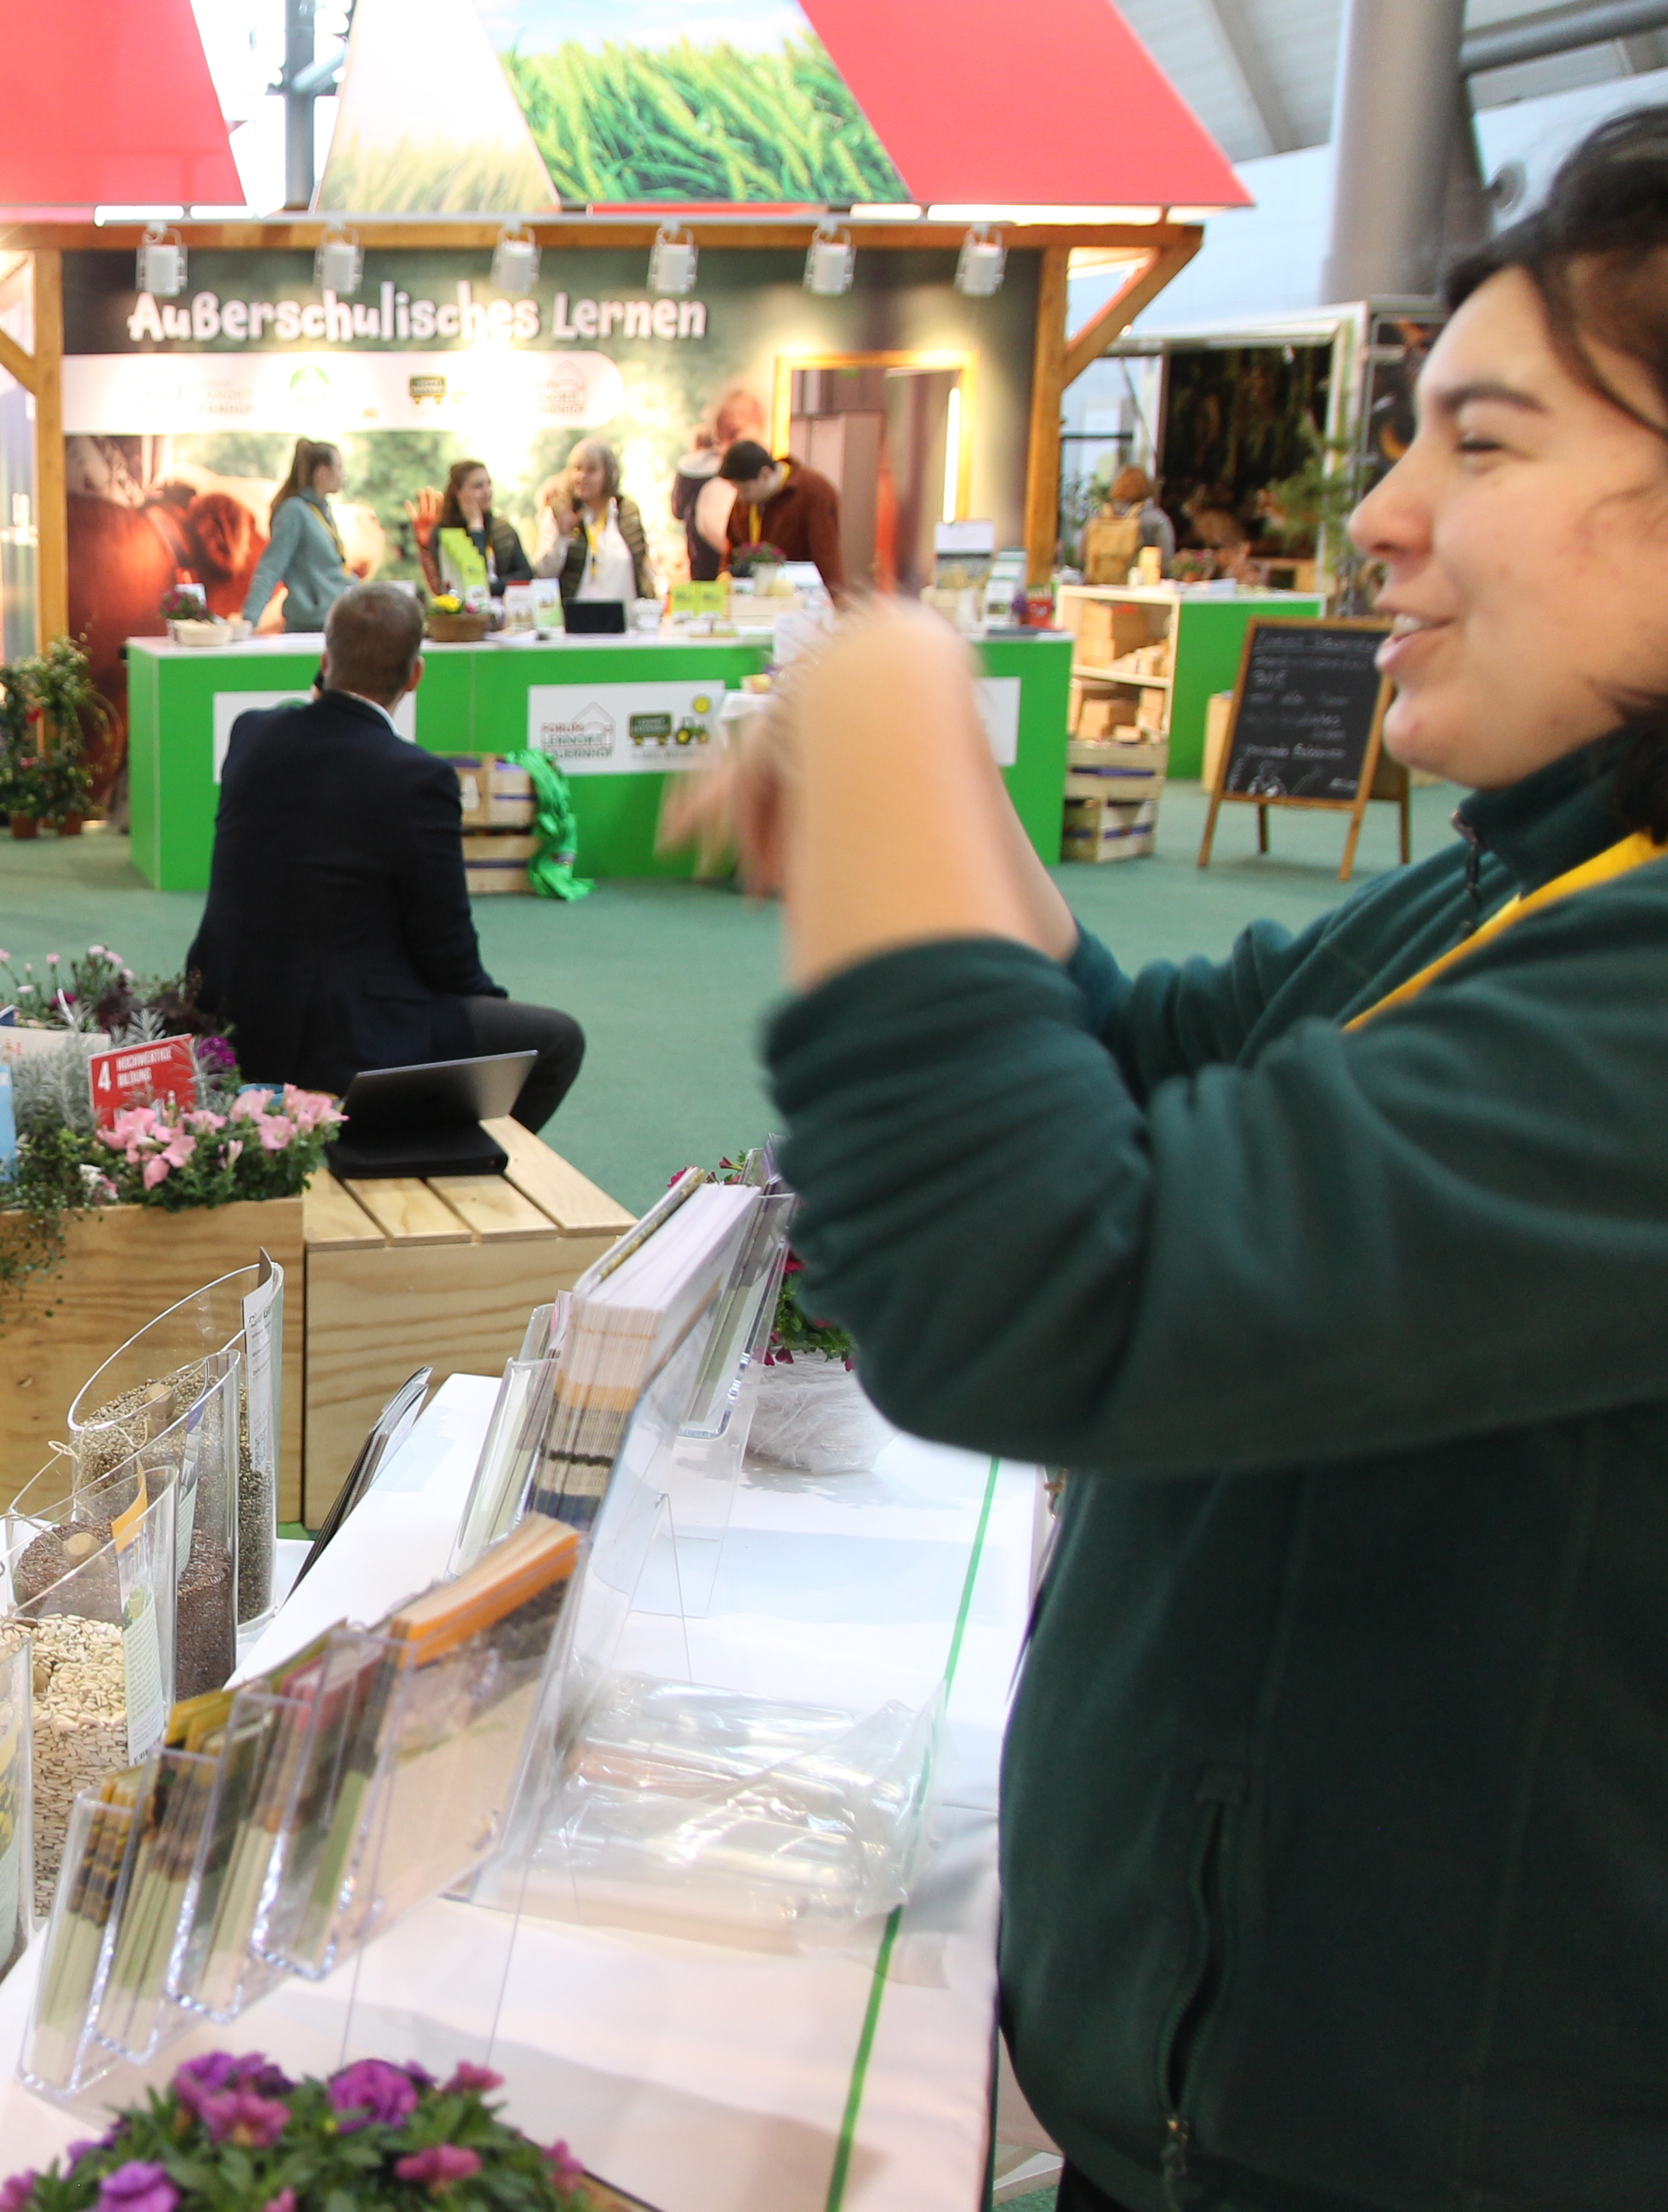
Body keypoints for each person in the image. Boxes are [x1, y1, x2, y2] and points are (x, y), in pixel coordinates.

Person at [691, 106, 1668, 2212]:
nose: (1380, 516)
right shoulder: (1532, 882)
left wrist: (890, 703)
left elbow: (1045, 1287)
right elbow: (1145, 1071)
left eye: (1484, 444)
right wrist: (932, 814)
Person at [186, 583, 585, 1129]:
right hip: (339, 1036)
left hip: (224, 1009)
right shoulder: (420, 778)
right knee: (556, 1041)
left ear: (324, 661)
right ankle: (439, 1154)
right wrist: (487, 1010)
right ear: (415, 675)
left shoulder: (251, 733)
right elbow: (446, 948)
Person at [241, 436, 351, 633]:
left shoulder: (321, 512)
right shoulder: (294, 511)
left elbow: (333, 571)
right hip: (310, 626)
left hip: (336, 620)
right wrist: (248, 621)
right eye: (340, 468)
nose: (343, 475)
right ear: (322, 472)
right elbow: (271, 567)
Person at [714, 439, 847, 591]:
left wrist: (835, 598)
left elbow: (827, 556)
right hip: (751, 595)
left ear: (765, 474)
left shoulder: (814, 492)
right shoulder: (746, 500)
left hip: (799, 594)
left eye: (745, 490)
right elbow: (732, 548)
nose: (741, 497)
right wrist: (724, 580)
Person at [537, 435, 653, 604]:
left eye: (591, 470)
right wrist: (562, 537)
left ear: (609, 475)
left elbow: (644, 569)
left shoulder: (627, 513)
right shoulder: (560, 511)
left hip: (624, 618)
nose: (582, 477)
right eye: (577, 468)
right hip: (573, 617)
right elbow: (542, 574)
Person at [671, 385, 767, 583]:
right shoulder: (713, 482)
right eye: (721, 439)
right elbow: (730, 543)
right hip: (719, 584)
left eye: (733, 435)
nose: (726, 448)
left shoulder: (770, 476)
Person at [415, 458, 530, 593]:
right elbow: (473, 578)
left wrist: (493, 587)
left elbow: (526, 574)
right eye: (478, 486)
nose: (487, 492)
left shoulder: (503, 529)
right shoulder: (444, 532)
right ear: (458, 493)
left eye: (489, 484)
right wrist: (476, 529)